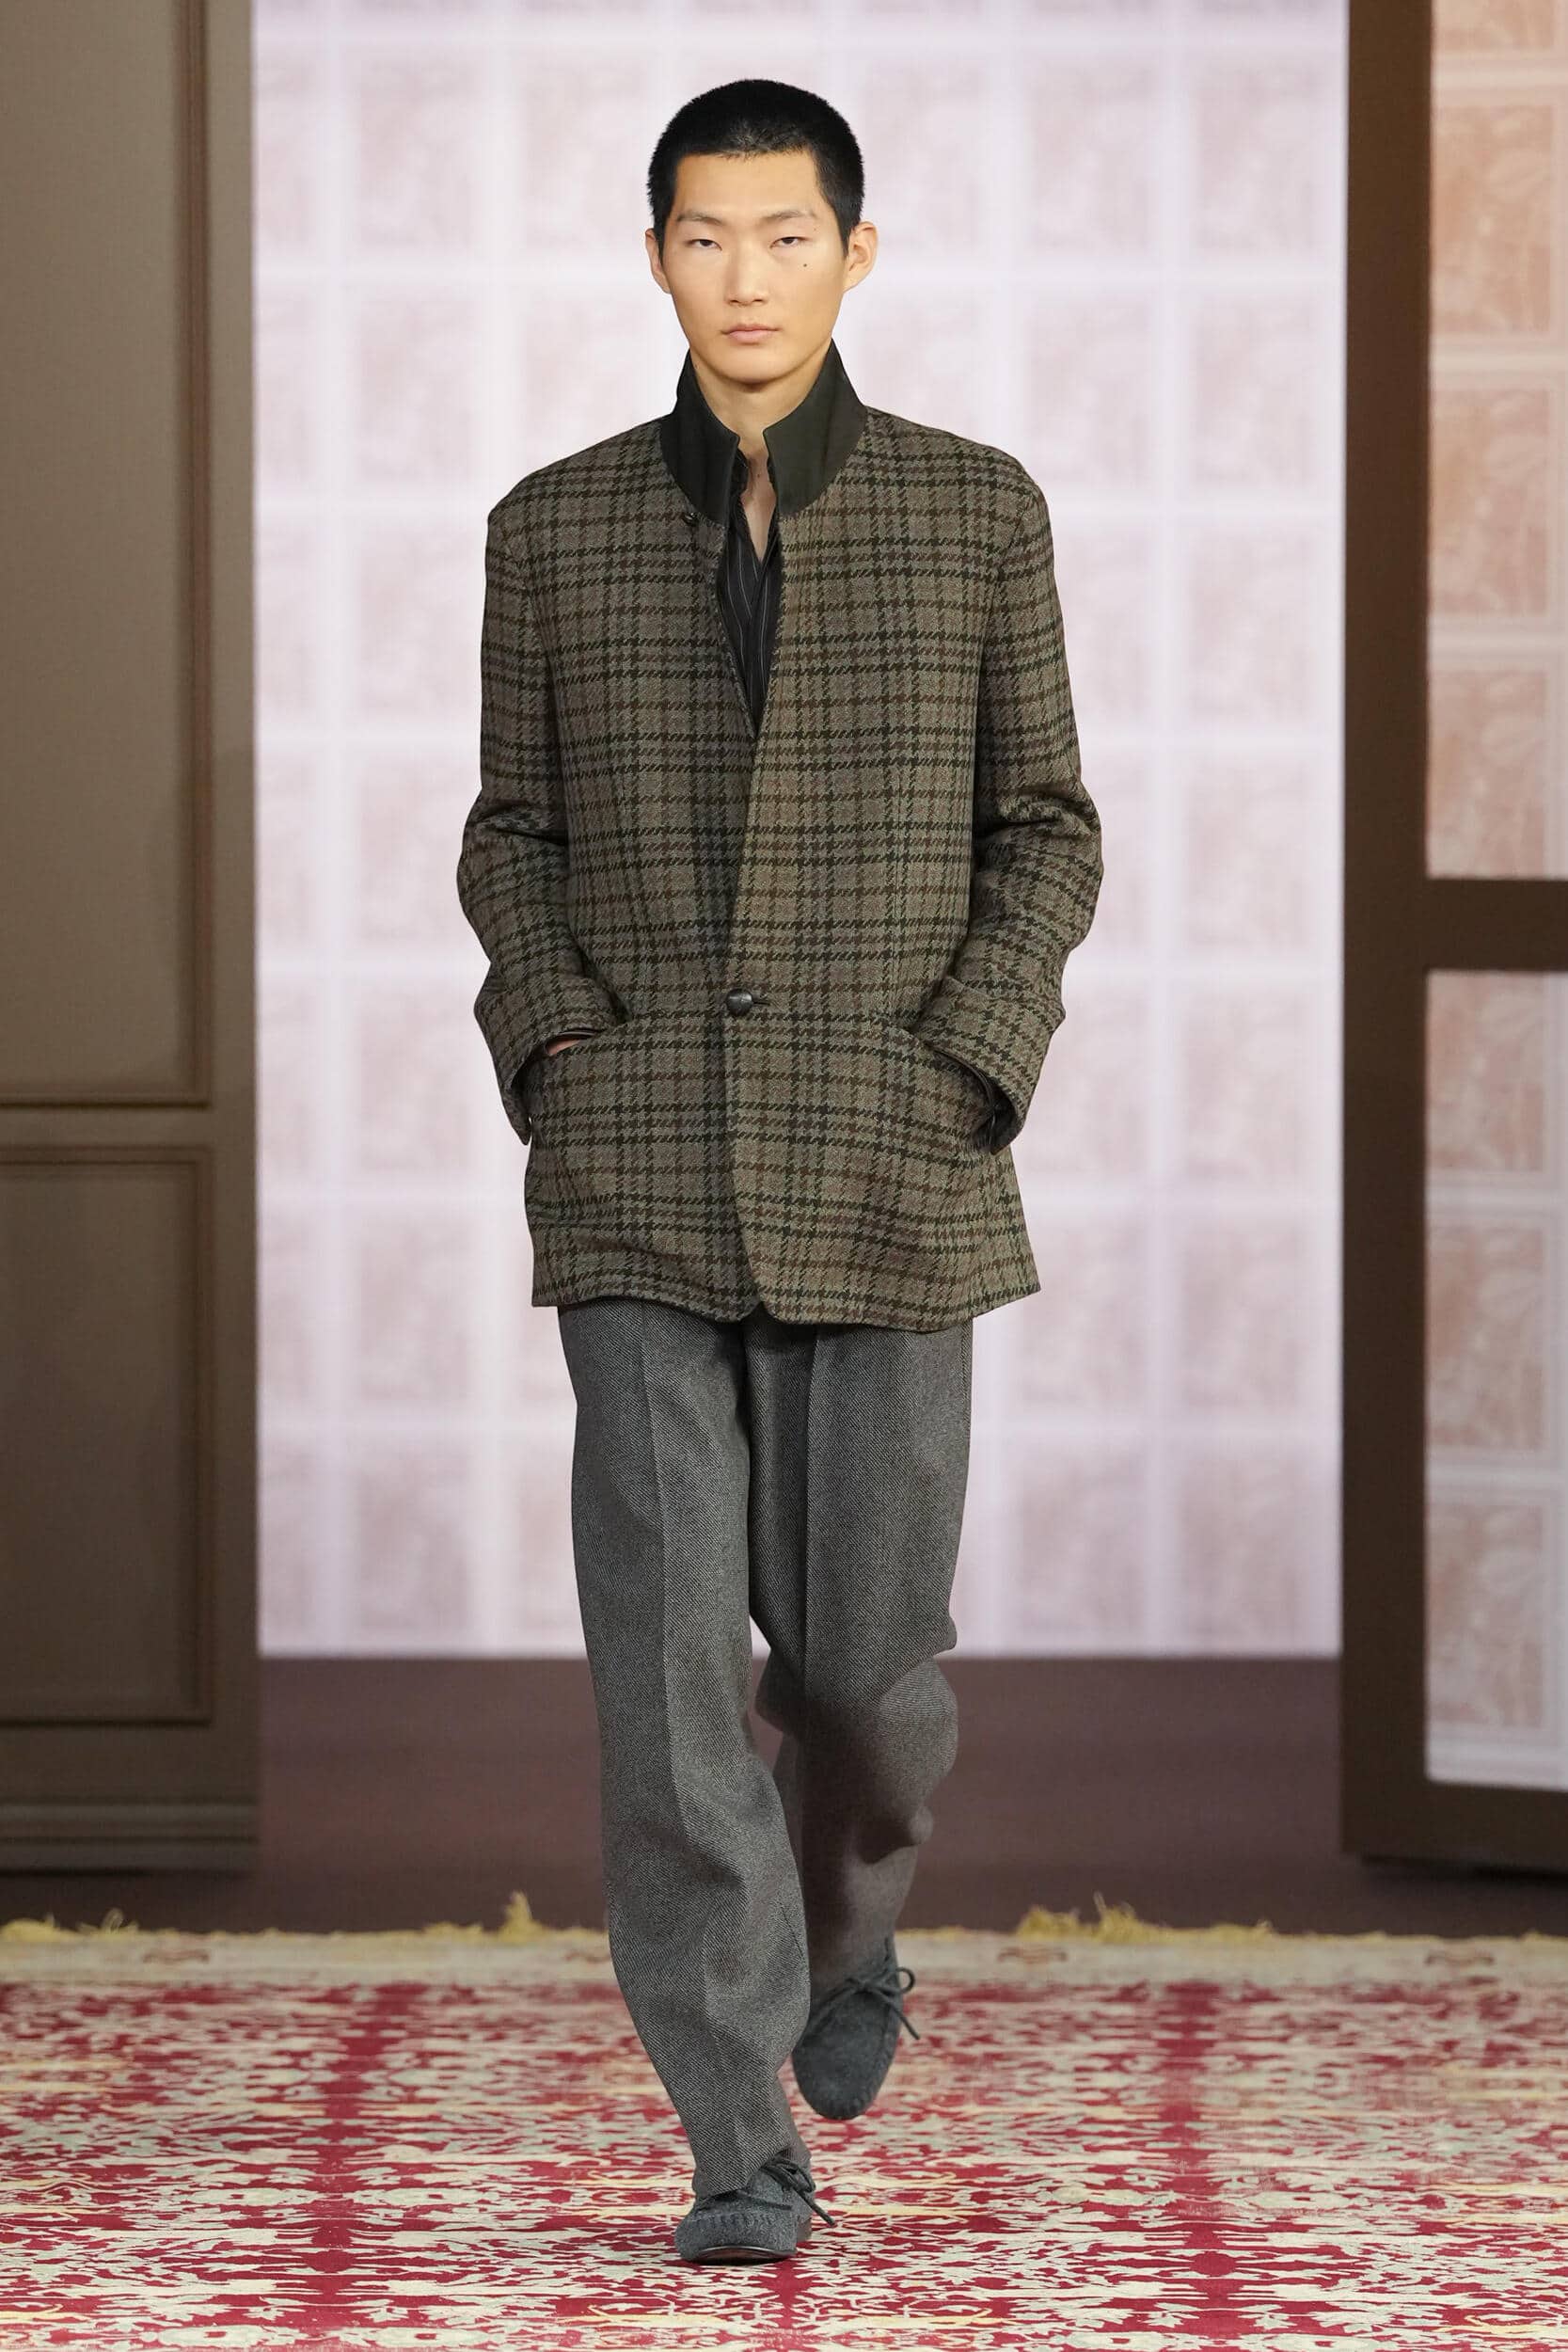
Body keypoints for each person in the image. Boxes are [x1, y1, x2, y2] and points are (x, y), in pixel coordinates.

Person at [455, 76, 1102, 2265]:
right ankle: (740, 2133)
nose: (747, 276)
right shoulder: (551, 527)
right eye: (706, 236)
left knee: (865, 1679)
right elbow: (511, 831)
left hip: (894, 1165)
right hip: (638, 1168)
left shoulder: (973, 510)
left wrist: (970, 1061)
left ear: (855, 254)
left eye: (787, 234)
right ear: (657, 256)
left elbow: (1047, 828)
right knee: (665, 1690)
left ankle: (850, 1929)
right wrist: (560, 1041)